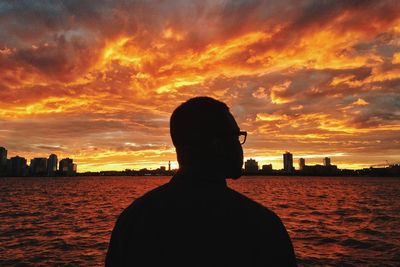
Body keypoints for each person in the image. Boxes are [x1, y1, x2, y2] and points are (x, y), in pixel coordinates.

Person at [106, 96, 297, 266]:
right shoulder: (259, 225)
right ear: (218, 145)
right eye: (236, 137)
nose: (240, 146)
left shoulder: (133, 220)